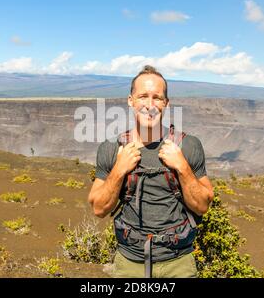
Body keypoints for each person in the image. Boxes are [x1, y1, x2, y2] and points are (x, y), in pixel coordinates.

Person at [88, 65, 214, 278]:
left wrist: (182, 167)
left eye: (157, 97)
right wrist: (119, 169)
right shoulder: (111, 149)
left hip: (178, 263)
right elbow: (99, 209)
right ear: (131, 101)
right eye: (143, 96)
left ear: (166, 103)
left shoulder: (188, 146)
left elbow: (202, 206)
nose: (150, 105)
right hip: (129, 263)